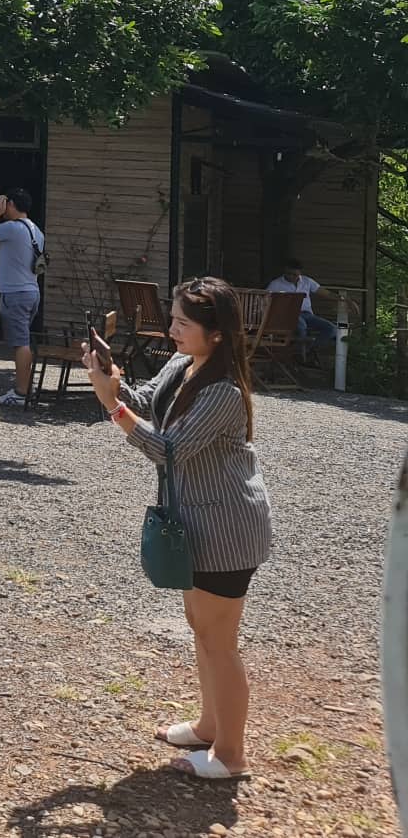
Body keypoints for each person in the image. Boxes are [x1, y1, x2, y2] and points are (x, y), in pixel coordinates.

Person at [83, 276, 273, 781]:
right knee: (202, 629)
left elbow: (166, 449)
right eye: (172, 319)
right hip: (198, 523)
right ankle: (211, 726)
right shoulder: (184, 365)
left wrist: (111, 405)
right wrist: (112, 379)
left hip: (228, 529)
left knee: (219, 640)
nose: (171, 330)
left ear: (215, 334)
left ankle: (231, 755)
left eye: (182, 324)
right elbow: (143, 400)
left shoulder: (224, 392)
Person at [0, 188, 44, 408]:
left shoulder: (12, 228)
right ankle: (24, 389)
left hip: (16, 294)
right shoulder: (36, 230)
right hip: (32, 292)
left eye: (6, 204)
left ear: (11, 204)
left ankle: (21, 393)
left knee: (20, 343)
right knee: (23, 340)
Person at [266, 258, 335, 361]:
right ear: (285, 270)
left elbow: (326, 293)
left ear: (300, 273)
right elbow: (264, 300)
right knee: (301, 325)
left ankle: (307, 351)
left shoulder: (307, 281)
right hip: (288, 316)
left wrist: (345, 300)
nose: (291, 277)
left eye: (295, 274)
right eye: (289, 274)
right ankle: (300, 355)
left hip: (308, 315)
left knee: (331, 328)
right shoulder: (275, 284)